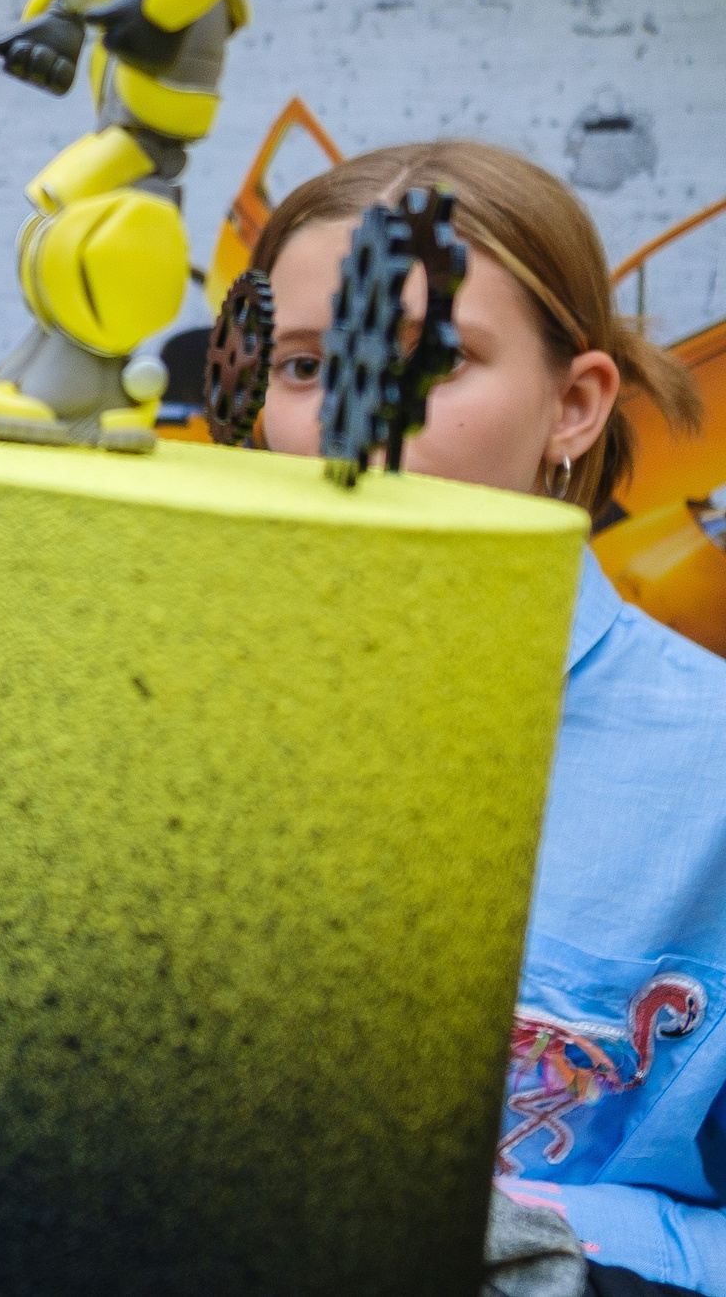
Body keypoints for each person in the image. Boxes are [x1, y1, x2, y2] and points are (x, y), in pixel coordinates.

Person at [251, 141, 726, 1297]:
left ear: (573, 406)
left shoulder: (707, 768)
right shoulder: (146, 712)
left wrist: (533, 1256)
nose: (349, 420)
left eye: (430, 361)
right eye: (306, 366)